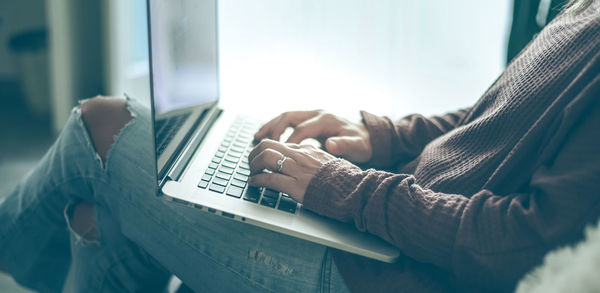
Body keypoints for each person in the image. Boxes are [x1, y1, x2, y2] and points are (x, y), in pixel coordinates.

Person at [1, 0, 599, 292]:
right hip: (390, 223)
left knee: (102, 123)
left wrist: (346, 190)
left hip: (390, 272)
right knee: (98, 216)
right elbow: (495, 116)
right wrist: (384, 136)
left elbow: (528, 244)